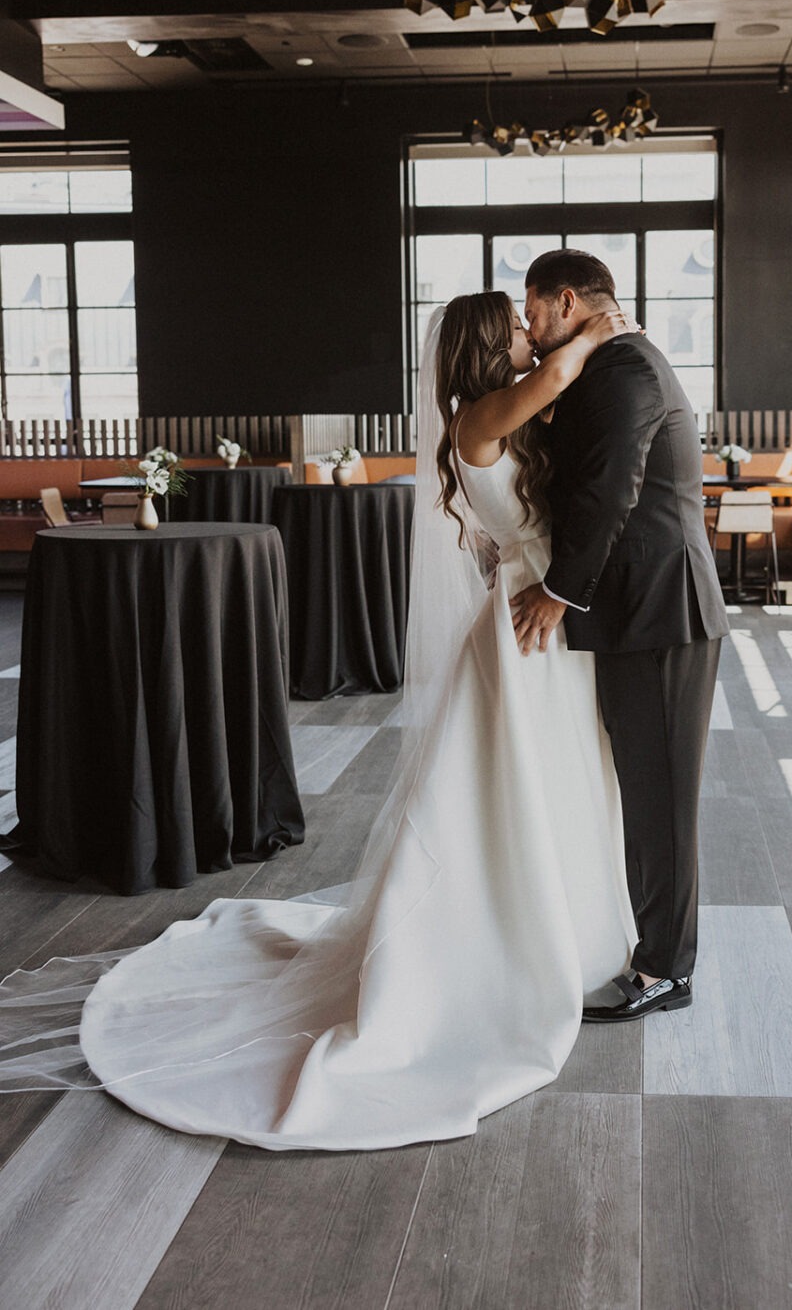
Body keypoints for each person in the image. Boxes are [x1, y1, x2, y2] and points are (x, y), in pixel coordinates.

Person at [0, 291, 638, 1152]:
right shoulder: (481, 417)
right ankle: (502, 952)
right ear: (491, 345)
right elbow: (562, 367)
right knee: (510, 795)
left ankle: (566, 927)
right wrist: (605, 325)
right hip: (526, 629)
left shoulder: (508, 417)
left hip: (542, 622)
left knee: (552, 784)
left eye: (537, 321)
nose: (533, 333)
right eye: (519, 325)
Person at [511, 249, 729, 1024]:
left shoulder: (627, 368)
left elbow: (611, 490)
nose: (529, 328)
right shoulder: (601, 365)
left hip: (664, 611)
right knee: (642, 790)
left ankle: (668, 969)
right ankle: (650, 947)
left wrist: (558, 591)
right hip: (637, 612)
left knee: (663, 800)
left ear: (566, 300)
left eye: (533, 311)